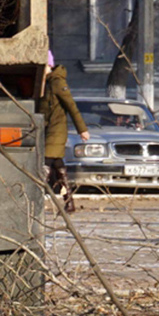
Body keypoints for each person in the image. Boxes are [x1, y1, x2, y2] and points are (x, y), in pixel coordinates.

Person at [37, 51, 90, 217]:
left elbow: (71, 106)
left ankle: (35, 201)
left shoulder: (57, 82)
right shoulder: (45, 83)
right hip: (48, 129)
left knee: (45, 164)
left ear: (49, 65)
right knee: (58, 166)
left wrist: (82, 129)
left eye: (43, 66)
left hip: (57, 130)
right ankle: (69, 203)